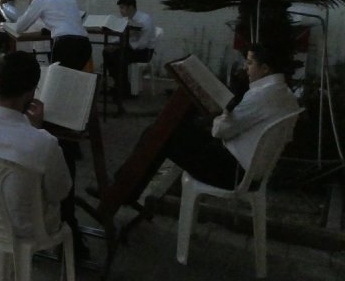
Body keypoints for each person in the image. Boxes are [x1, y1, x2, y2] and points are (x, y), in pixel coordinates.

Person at [0, 51, 85, 260]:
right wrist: (36, 129)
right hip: (33, 229)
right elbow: (60, 192)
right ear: (31, 94)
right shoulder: (43, 143)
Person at [128, 42, 299, 200]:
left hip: (232, 173)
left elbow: (220, 131)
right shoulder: (286, 94)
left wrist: (218, 115)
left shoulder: (261, 95)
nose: (245, 67)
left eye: (249, 63)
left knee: (160, 134)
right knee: (171, 130)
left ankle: (127, 188)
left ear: (265, 68)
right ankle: (135, 188)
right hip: (248, 171)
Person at [14, 0, 92, 251]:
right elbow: (77, 17)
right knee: (74, 93)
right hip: (84, 43)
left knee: (59, 97)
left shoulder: (40, 0)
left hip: (65, 44)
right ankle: (74, 141)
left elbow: (21, 26)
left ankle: (62, 140)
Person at [102, 0, 156, 100]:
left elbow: (142, 44)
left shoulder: (145, 20)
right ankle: (119, 84)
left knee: (119, 56)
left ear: (131, 7)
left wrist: (124, 43)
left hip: (144, 52)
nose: (120, 11)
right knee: (107, 52)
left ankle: (124, 89)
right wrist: (114, 44)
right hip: (129, 48)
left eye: (122, 8)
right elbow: (120, 36)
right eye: (120, 8)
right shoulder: (126, 19)